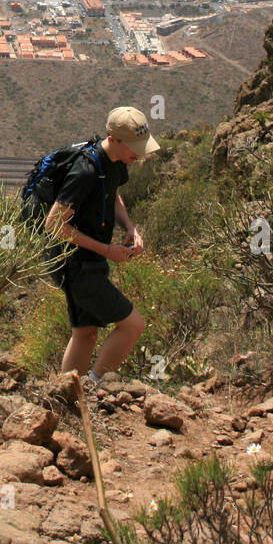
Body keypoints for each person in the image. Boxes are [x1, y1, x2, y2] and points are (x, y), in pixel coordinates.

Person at [44, 105, 159, 384]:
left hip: (89, 262)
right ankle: (95, 385)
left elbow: (113, 195)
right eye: (134, 146)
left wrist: (130, 228)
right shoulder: (85, 171)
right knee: (133, 325)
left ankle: (67, 393)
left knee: (85, 332)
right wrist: (108, 251)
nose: (138, 153)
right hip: (73, 264)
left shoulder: (117, 163)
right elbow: (54, 224)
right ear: (113, 139)